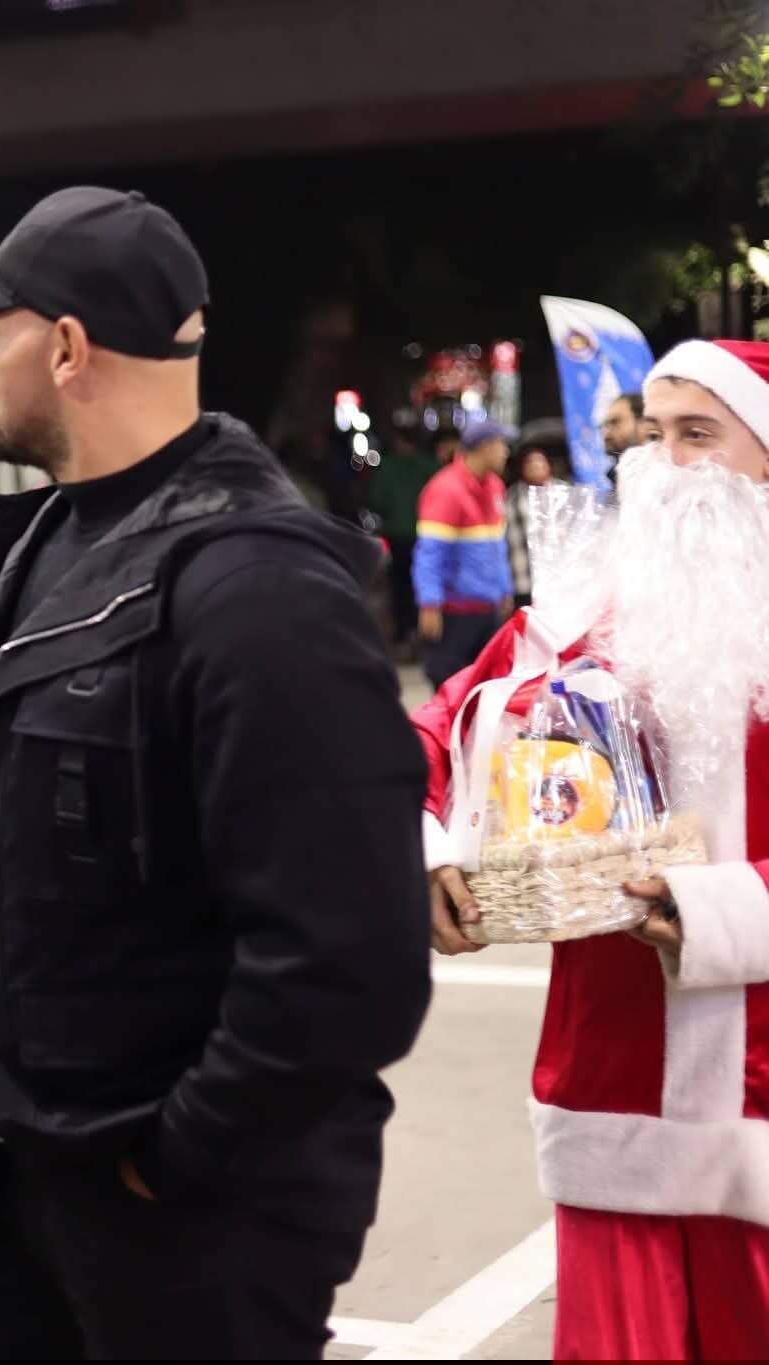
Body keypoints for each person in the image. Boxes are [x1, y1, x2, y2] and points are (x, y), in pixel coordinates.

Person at [0, 187, 431, 1359]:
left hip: (184, 1226)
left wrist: (172, 1159)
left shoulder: (259, 586)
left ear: (64, 347)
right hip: (6, 1180)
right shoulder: (36, 547)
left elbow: (348, 962)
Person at [416, 338, 769, 1359]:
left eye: (697, 434)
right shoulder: (578, 616)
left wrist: (719, 911)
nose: (662, 465)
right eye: (650, 436)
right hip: (611, 1088)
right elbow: (434, 734)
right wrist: (428, 848)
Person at [414, 418, 515, 688]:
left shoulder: (495, 487)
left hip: (488, 609)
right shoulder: (446, 490)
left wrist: (504, 589)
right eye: (501, 445)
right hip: (455, 612)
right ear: (485, 447)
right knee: (450, 689)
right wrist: (430, 604)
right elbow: (430, 552)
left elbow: (497, 545)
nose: (506, 452)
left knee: (486, 689)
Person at [365, 433, 436, 647]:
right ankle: (421, 630)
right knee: (422, 583)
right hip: (426, 532)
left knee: (400, 585)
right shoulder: (428, 466)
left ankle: (404, 631)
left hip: (397, 535)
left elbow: (376, 500)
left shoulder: (386, 467)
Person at [504, 444, 564, 610]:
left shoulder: (562, 493)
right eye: (530, 462)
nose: (536, 465)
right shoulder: (511, 497)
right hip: (524, 580)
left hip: (558, 581)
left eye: (540, 461)